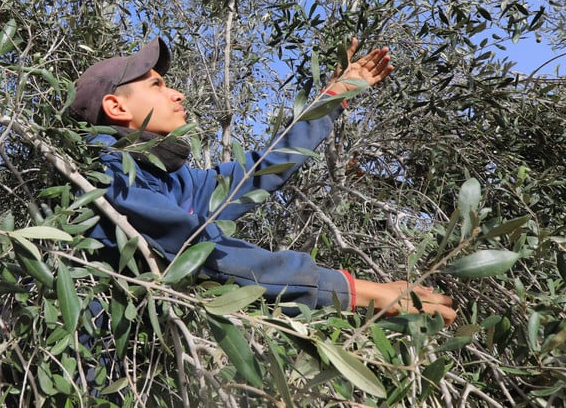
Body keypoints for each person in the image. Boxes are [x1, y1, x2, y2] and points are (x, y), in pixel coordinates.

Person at [70, 36, 456, 324]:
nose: (177, 92)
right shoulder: (110, 180)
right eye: (156, 85)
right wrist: (360, 293)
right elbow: (207, 256)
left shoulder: (172, 177)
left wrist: (331, 99)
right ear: (116, 107)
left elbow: (257, 173)